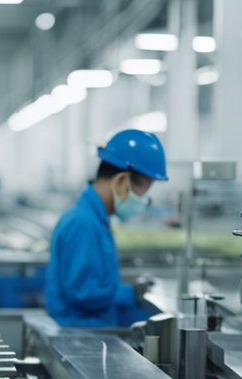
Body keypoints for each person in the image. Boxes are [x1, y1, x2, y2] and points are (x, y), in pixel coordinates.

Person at [45, 129, 167, 327]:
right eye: (143, 191)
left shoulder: (95, 219)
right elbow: (83, 292)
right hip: (79, 336)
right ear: (120, 181)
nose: (143, 201)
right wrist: (129, 293)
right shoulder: (82, 223)